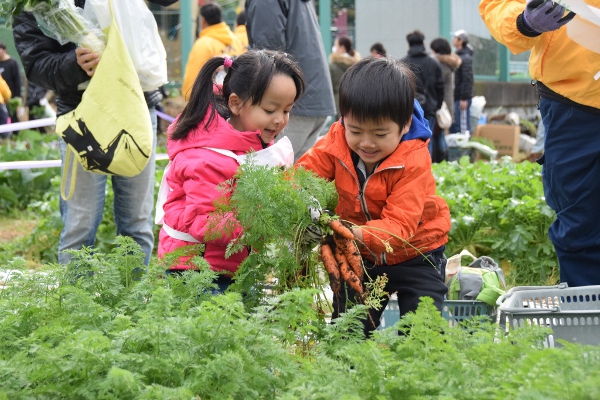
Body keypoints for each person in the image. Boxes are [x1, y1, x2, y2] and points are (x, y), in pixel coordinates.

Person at [13, 0, 178, 266]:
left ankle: (133, 302)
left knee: (137, 222)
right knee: (80, 224)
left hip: (134, 107)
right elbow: (36, 63)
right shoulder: (35, 4)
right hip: (83, 117)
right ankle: (76, 305)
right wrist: (73, 63)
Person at [296, 57, 451, 337]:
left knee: (423, 335)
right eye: (355, 131)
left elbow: (400, 226)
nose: (366, 143)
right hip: (362, 256)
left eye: (380, 134)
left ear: (404, 125)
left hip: (416, 251)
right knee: (348, 331)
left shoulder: (414, 159)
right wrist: (295, 199)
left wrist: (351, 233)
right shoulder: (336, 141)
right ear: (344, 119)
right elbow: (302, 177)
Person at [158, 50, 304, 291]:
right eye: (270, 110)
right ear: (235, 104)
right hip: (196, 271)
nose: (280, 120)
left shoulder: (243, 147)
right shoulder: (207, 158)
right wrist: (263, 219)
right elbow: (203, 222)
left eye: (286, 110)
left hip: (227, 267)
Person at [480, 0, 600, 287]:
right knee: (579, 226)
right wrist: (524, 22)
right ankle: (587, 323)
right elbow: (498, 5)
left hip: (571, 103)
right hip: (573, 105)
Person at [245, 0, 336, 163]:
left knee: (272, 176)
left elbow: (267, 57)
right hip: (312, 97)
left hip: (289, 104)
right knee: (293, 179)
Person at [182, 3, 244, 100]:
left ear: (203, 20)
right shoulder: (235, 40)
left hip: (210, 101)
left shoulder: (203, 44)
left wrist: (189, 97)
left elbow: (194, 75)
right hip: (235, 98)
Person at [430, 37, 462, 162]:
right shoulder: (449, 63)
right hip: (447, 104)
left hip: (440, 104)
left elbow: (435, 84)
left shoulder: (440, 64)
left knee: (434, 134)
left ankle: (439, 160)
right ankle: (444, 160)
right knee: (441, 133)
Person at [329, 35, 361, 120]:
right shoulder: (358, 65)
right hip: (357, 101)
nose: (334, 48)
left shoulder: (333, 66)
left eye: (335, 45)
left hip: (339, 102)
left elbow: (330, 86)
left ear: (342, 48)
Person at [449, 29, 474, 134]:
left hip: (462, 98)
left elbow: (467, 79)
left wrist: (463, 98)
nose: (453, 39)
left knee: (463, 128)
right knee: (458, 125)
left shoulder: (465, 58)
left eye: (455, 37)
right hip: (458, 96)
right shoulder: (458, 55)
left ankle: (465, 149)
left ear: (460, 41)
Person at [0, 41, 22, 136]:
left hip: (11, 96)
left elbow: (17, 81)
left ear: (4, 50)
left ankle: (16, 135)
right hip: (3, 98)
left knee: (13, 116)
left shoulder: (12, 63)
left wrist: (17, 96)